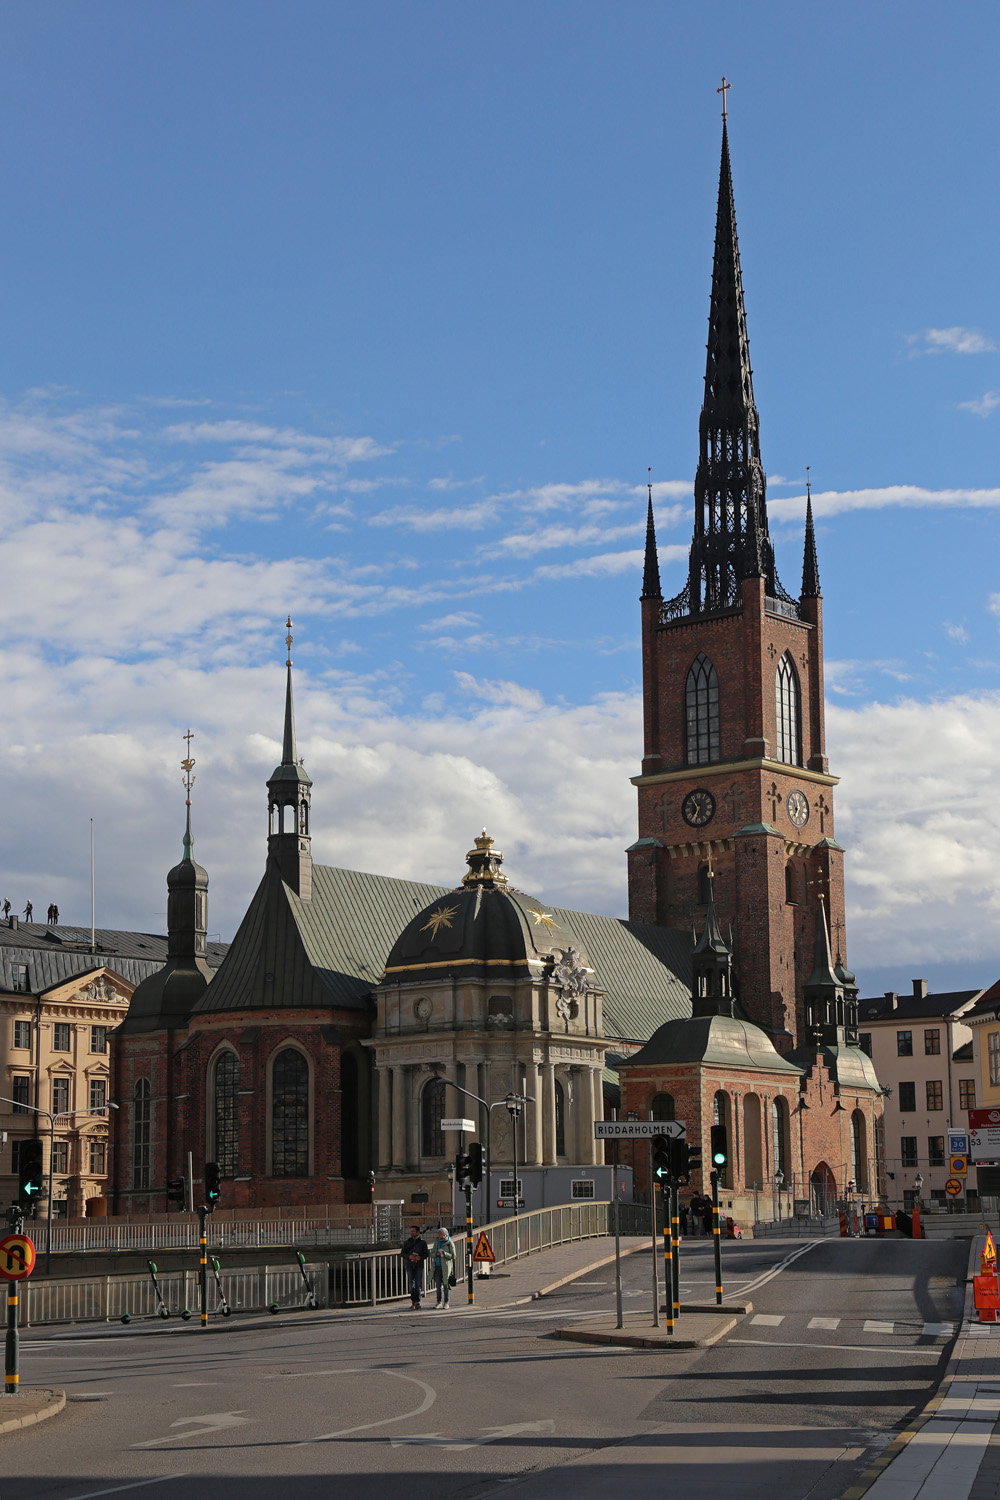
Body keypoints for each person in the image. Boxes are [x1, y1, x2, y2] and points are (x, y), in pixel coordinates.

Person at [400, 1225, 429, 1309]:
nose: (411, 1233)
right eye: (411, 1231)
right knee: (411, 1284)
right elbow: (402, 1253)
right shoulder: (407, 1242)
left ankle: (417, 1302)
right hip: (410, 1265)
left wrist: (420, 1257)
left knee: (417, 1284)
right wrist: (409, 1256)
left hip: (418, 1265)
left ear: (418, 1232)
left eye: (413, 1231)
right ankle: (413, 1301)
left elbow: (426, 1253)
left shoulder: (422, 1243)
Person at [432, 1227, 456, 1309]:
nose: (439, 1235)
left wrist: (444, 1253)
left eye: (440, 1234)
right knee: (438, 1285)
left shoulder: (449, 1243)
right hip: (438, 1266)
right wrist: (436, 1254)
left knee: (446, 1285)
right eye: (438, 1234)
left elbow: (453, 1256)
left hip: (446, 1267)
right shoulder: (437, 1243)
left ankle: (446, 1302)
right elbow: (432, 1253)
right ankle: (439, 1302)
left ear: (445, 1234)